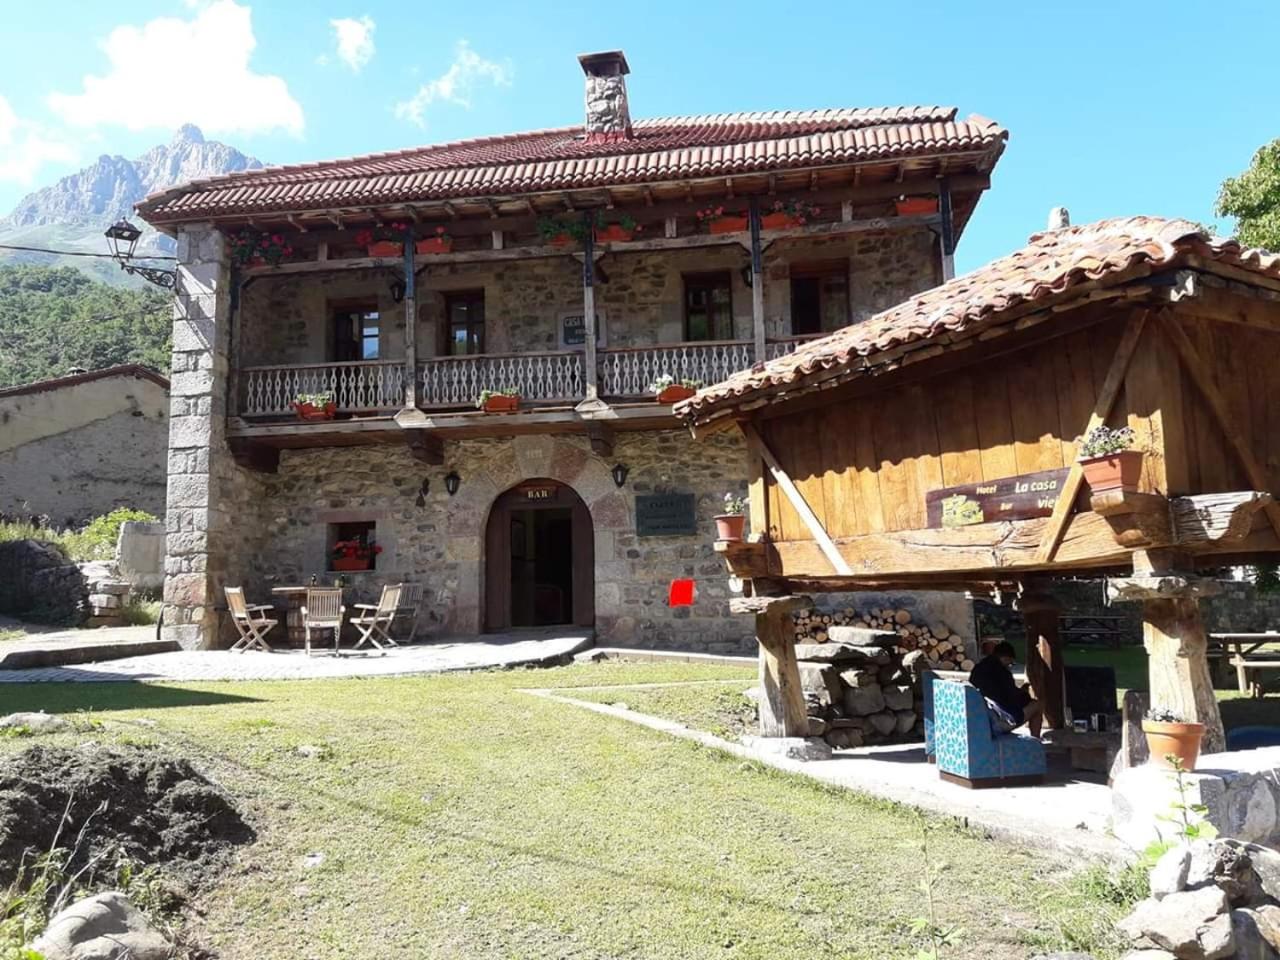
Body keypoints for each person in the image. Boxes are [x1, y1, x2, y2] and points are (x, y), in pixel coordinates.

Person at [968, 642, 1043, 737]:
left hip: (981, 718)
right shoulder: (1002, 672)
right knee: (1037, 705)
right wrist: (1025, 694)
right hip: (997, 722)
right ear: (1006, 658)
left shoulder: (978, 669)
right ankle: (1036, 741)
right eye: (1010, 663)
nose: (1009, 666)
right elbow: (1014, 697)